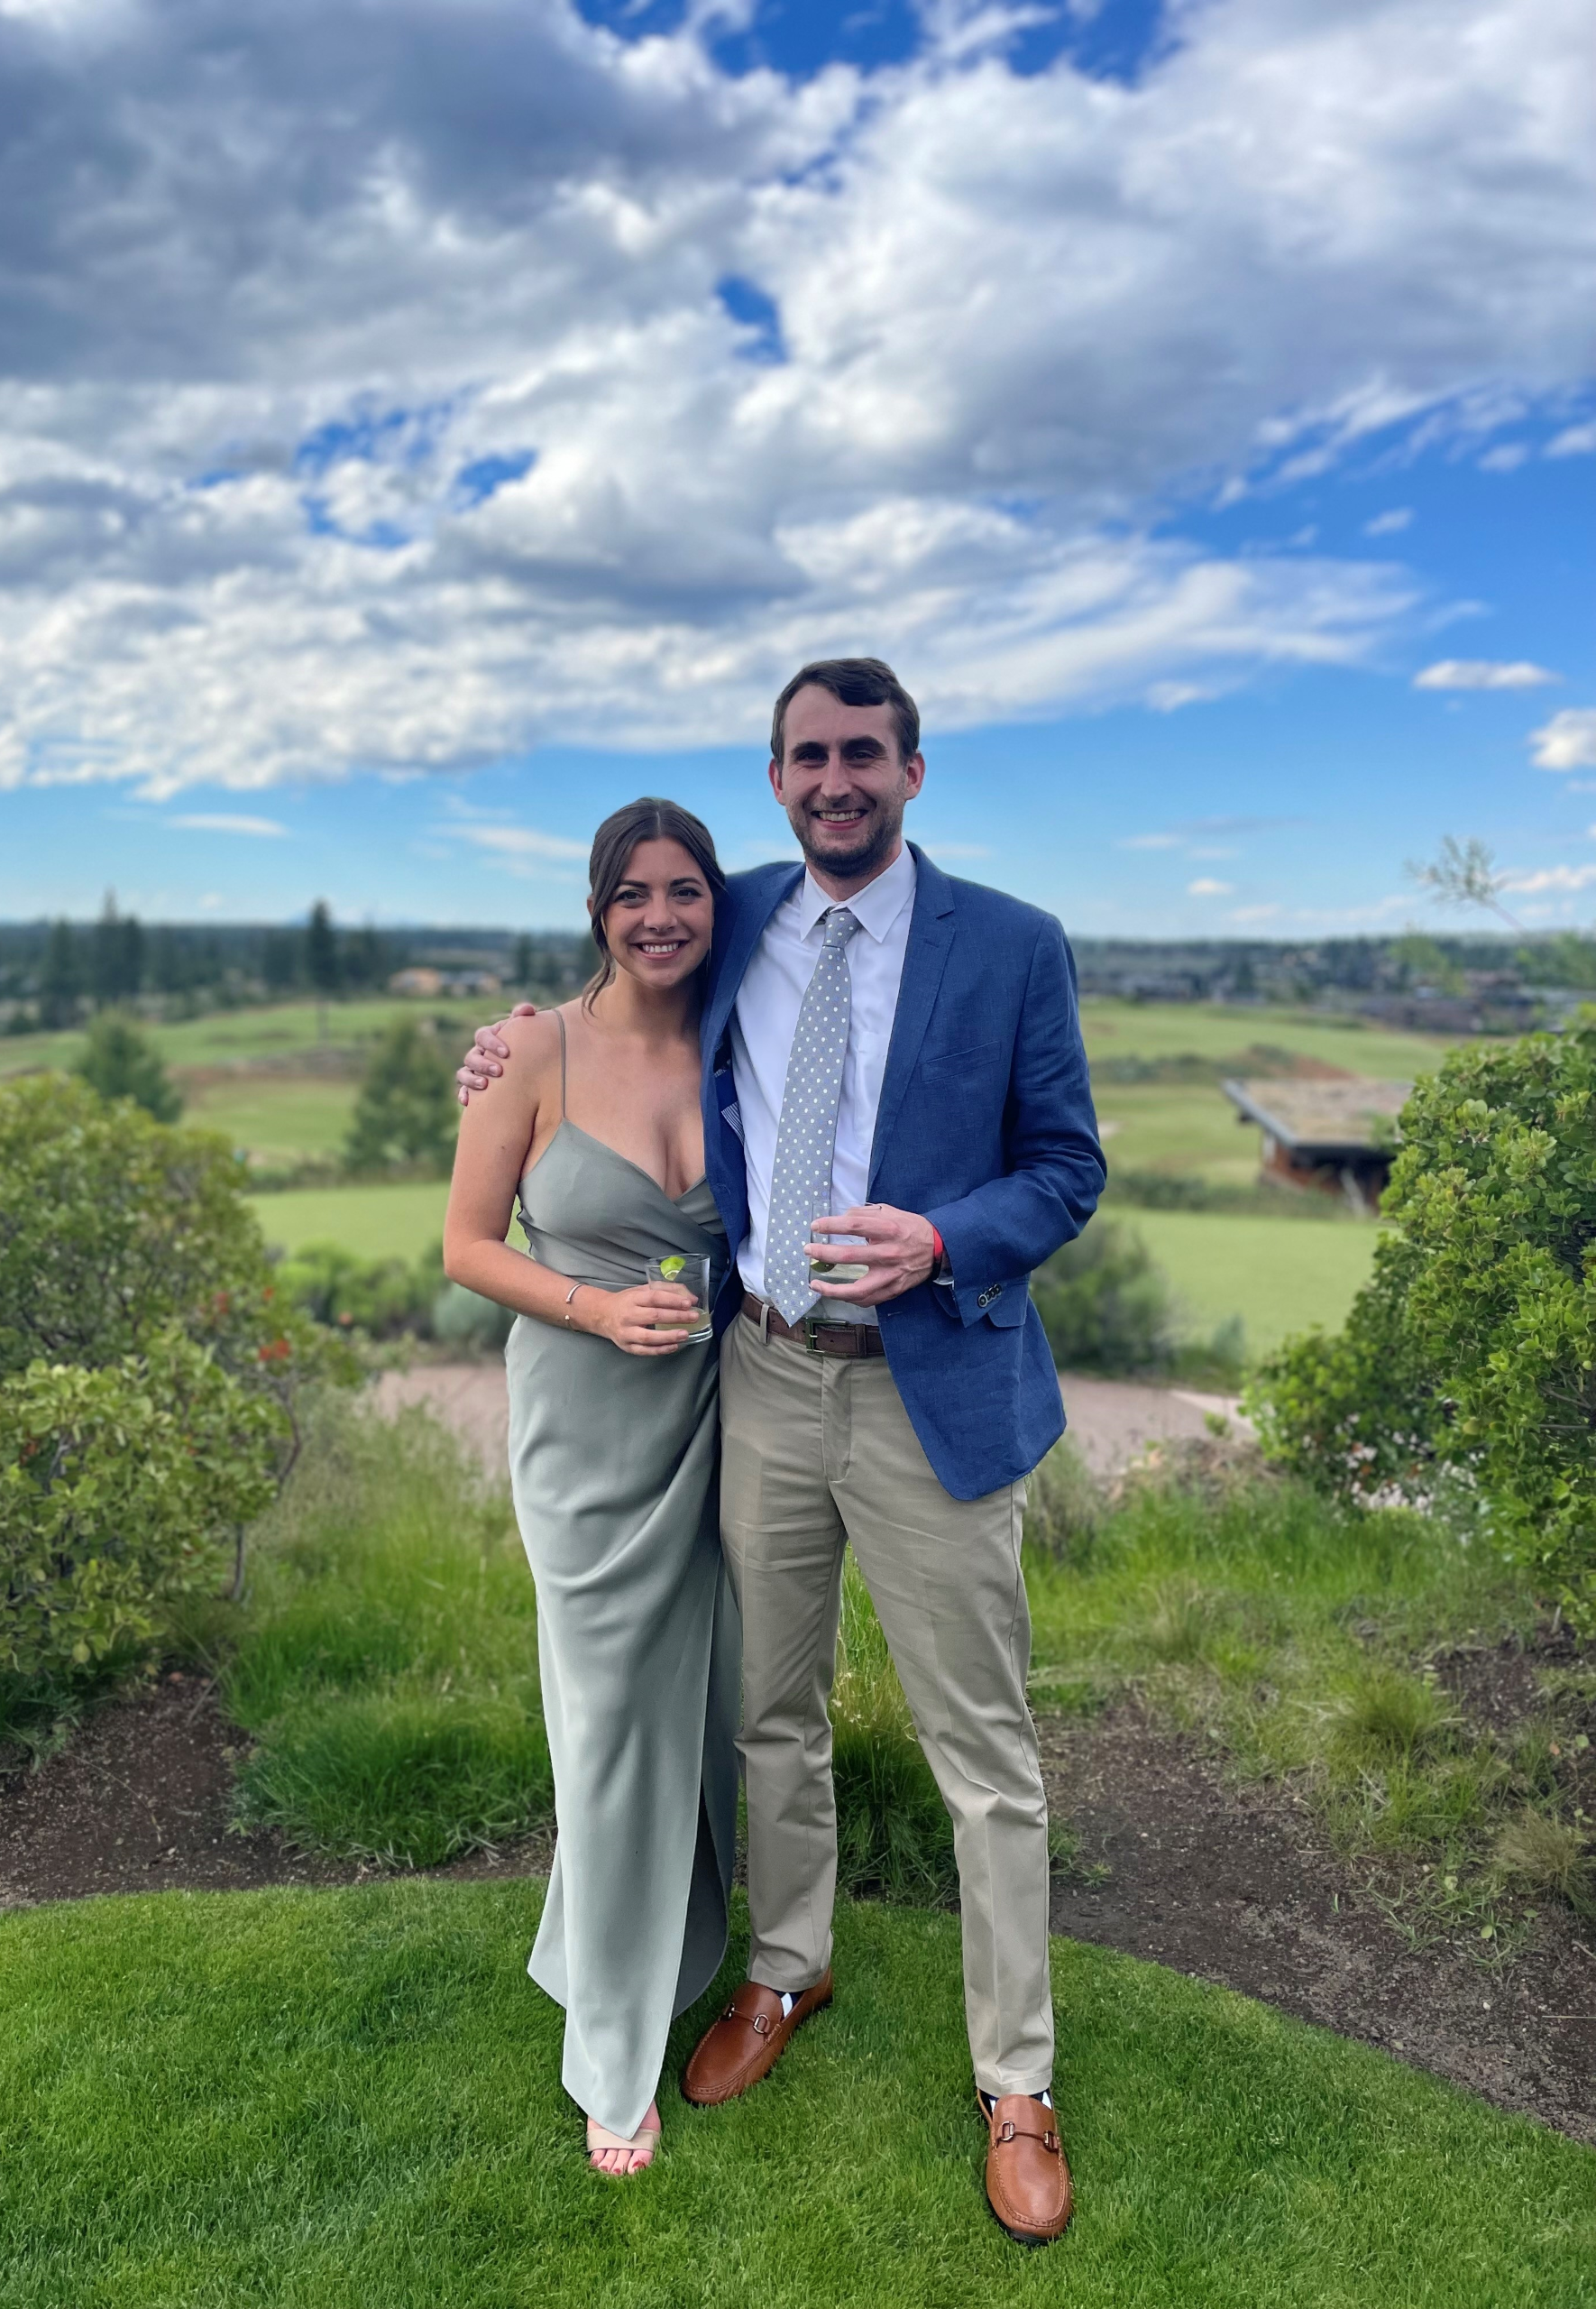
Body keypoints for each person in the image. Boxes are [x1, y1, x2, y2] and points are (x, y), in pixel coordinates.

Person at [461, 658, 1105, 2245]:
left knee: (986, 1755)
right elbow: (621, 973)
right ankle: (782, 1971)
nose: (837, 779)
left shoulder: (1013, 944)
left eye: (864, 755)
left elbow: (1067, 1169)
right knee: (770, 1715)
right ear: (775, 777)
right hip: (757, 1375)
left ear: (912, 770)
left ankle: (1015, 2079)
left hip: (927, 1387)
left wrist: (946, 1235)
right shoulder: (734, 909)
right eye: (809, 755)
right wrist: (505, 1047)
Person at [442, 798, 740, 2177]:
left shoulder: (746, 1040)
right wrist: (589, 1305)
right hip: (586, 1430)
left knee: (703, 1714)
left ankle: (644, 1944)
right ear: (597, 908)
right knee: (611, 1722)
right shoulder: (530, 1050)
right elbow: (464, 1246)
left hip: (726, 1427)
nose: (661, 914)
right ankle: (613, 2058)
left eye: (684, 889)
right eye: (634, 893)